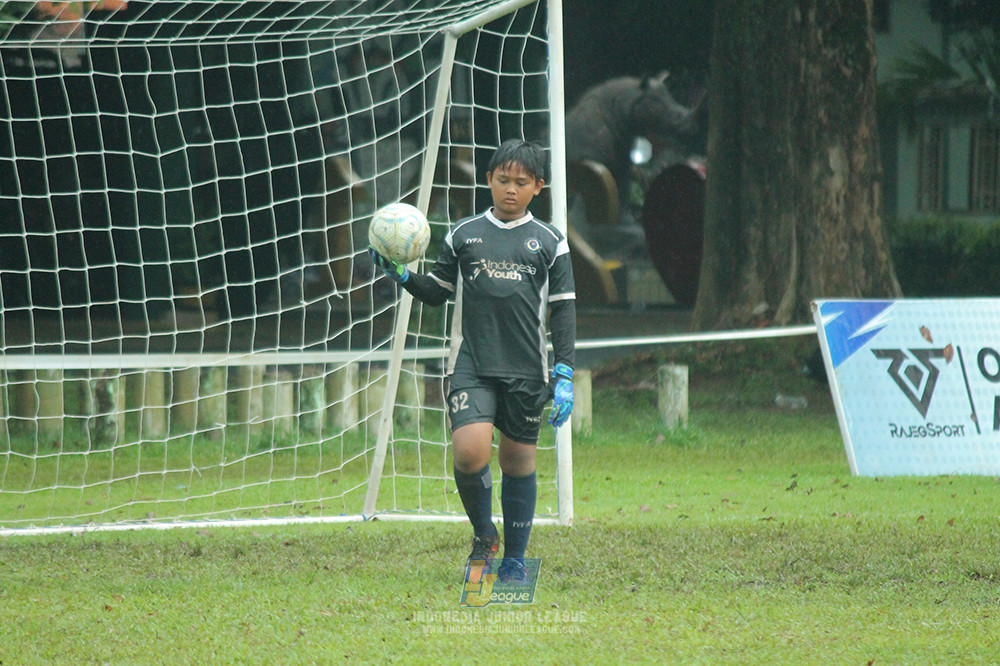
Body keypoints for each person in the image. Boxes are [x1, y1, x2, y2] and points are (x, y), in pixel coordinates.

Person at [368, 139, 576, 584]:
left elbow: (563, 310)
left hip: (527, 370)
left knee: (518, 462)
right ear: (488, 180)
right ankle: (485, 536)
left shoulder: (551, 242)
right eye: (503, 180)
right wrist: (403, 276)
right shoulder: (464, 235)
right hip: (472, 365)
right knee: (469, 452)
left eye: (522, 183)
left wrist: (565, 374)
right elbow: (438, 293)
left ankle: (515, 561)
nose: (510, 190)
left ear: (538, 187)